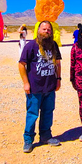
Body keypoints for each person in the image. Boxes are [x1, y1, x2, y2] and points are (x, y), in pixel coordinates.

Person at [19, 21, 62, 153]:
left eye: (49, 29)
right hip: (35, 87)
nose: (47, 31)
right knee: (32, 114)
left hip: (49, 86)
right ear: (38, 30)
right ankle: (28, 140)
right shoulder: (31, 46)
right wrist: (26, 82)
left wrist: (58, 79)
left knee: (48, 112)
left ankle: (45, 135)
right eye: (44, 29)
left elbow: (58, 63)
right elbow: (21, 64)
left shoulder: (53, 45)